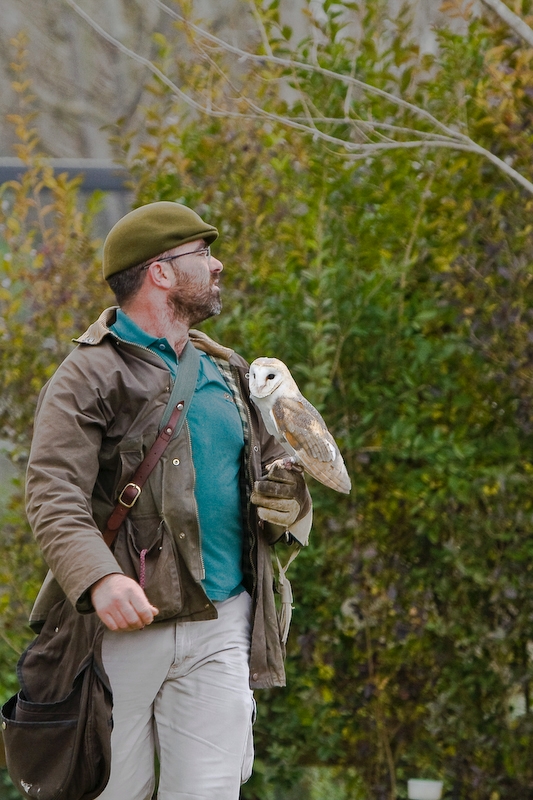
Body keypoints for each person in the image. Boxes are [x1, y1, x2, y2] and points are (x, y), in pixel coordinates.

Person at [24, 201, 313, 800]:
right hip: (123, 628)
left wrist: (291, 498)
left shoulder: (227, 371)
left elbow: (277, 473)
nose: (218, 265)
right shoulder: (87, 376)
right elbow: (53, 495)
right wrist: (100, 580)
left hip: (223, 622)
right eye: (202, 254)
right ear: (159, 271)